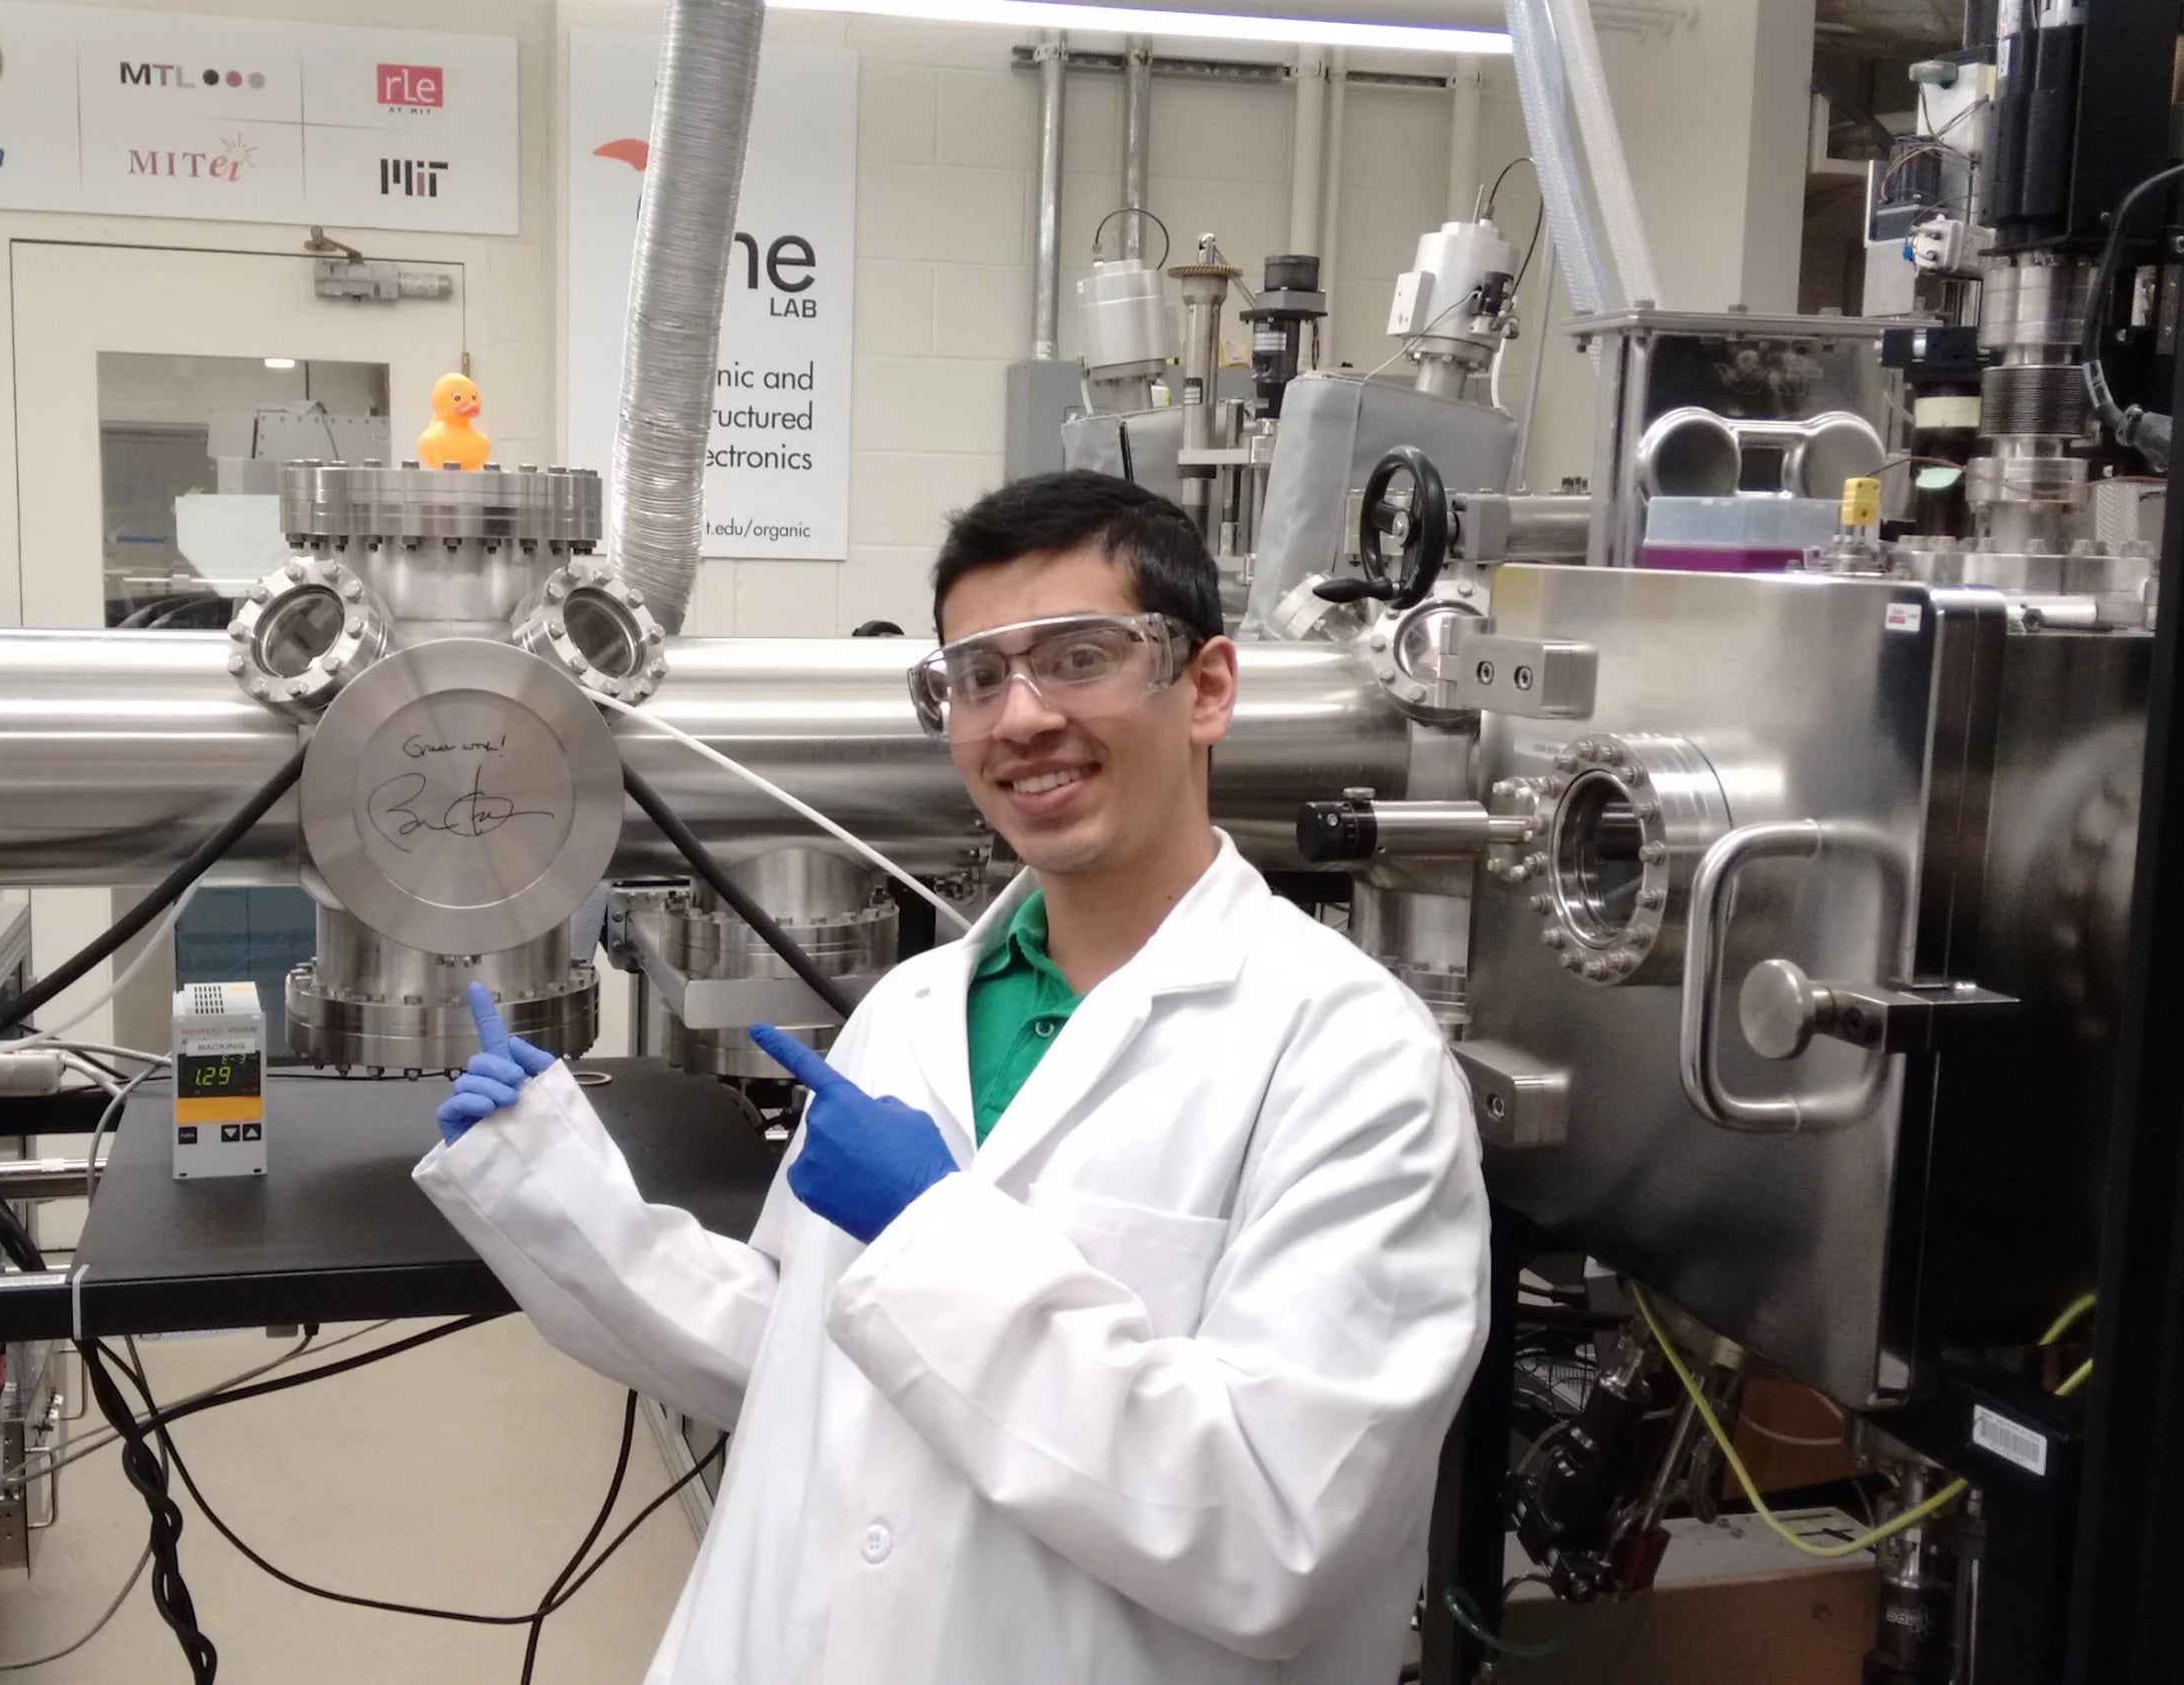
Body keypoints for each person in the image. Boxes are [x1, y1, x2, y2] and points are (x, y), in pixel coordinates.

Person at [413, 470, 1490, 1683]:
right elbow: (800, 1357)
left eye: (1081, 656)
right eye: (977, 675)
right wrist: (558, 1189)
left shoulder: (1352, 1057)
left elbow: (1279, 1529)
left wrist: (930, 1232)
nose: (1020, 716)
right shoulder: (913, 1009)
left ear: (1207, 686)